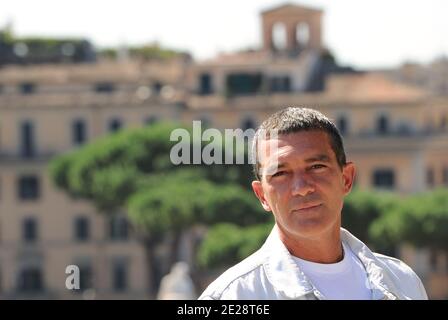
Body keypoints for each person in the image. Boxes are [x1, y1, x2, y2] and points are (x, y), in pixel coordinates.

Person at [199, 107, 428, 300]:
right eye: (280, 173)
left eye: (317, 167)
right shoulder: (232, 296)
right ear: (262, 196)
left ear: (346, 179)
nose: (302, 187)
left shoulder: (403, 283)